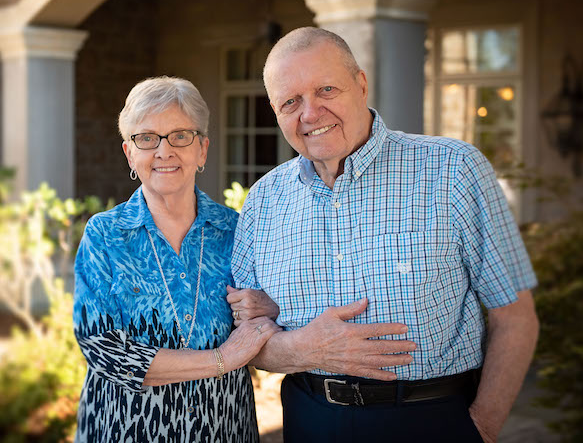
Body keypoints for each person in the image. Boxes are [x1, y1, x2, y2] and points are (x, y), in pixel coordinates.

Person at [229, 27, 539, 443]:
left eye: (326, 89)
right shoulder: (263, 200)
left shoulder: (453, 170)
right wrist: (304, 348)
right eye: (291, 101)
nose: (310, 113)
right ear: (275, 110)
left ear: (360, 84)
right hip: (309, 421)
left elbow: (515, 315)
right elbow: (247, 337)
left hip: (431, 419)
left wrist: (480, 428)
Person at [72, 76, 280, 443]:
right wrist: (222, 359)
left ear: (202, 150)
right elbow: (102, 349)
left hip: (223, 428)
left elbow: (282, 313)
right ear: (129, 153)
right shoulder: (105, 235)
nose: (164, 151)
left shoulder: (236, 230)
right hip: (125, 430)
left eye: (180, 135)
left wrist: (271, 306)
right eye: (147, 138)